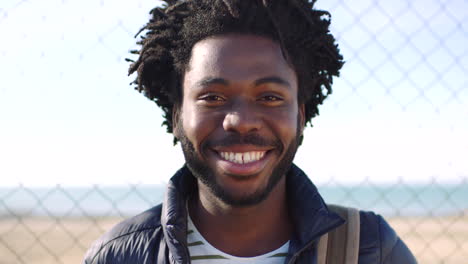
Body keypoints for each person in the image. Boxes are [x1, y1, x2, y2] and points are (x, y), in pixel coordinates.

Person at [83, 0, 417, 263]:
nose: (241, 121)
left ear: (300, 115)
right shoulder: (119, 256)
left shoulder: (369, 250)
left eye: (270, 97)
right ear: (177, 115)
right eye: (212, 97)